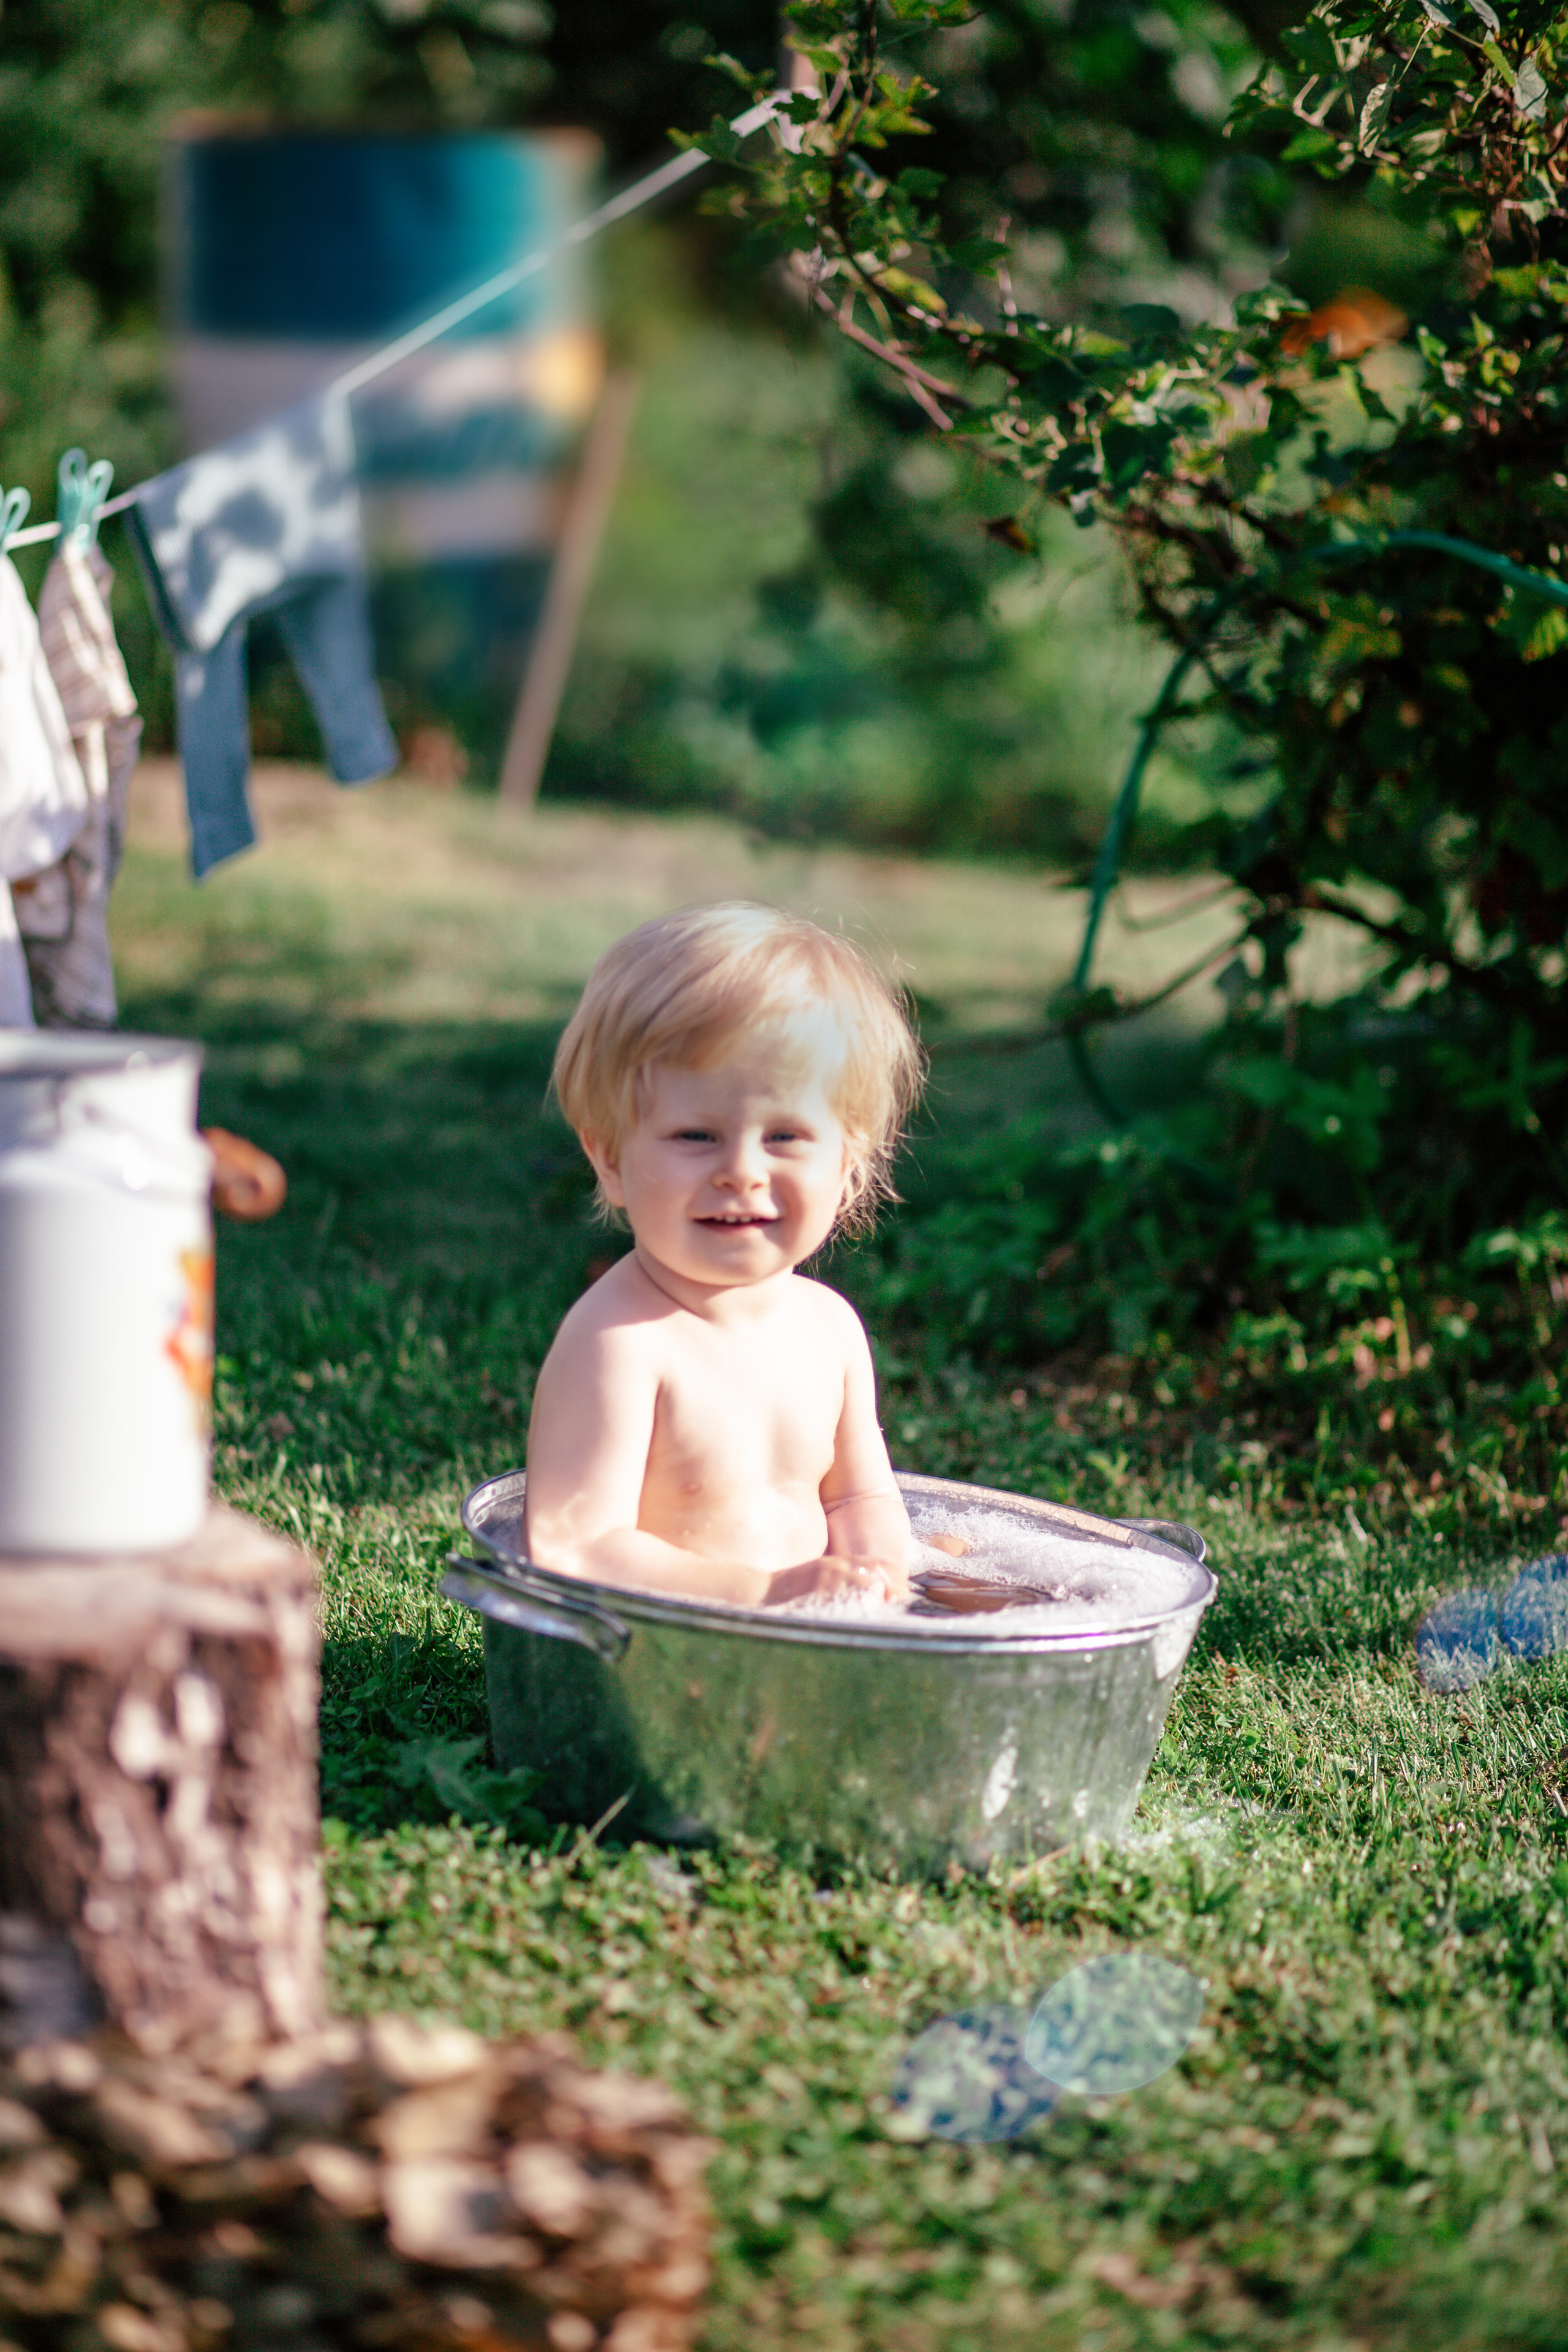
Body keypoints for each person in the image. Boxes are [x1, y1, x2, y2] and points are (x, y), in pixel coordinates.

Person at [524, 901, 925, 1608]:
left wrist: (880, 1574)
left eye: (784, 1137)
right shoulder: (620, 1343)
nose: (742, 1171)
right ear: (610, 1159)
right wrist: (765, 1592)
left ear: (848, 1164)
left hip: (813, 1633)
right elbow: (577, 1547)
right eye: (696, 1136)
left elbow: (858, 1497)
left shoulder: (829, 1329)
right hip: (664, 1648)